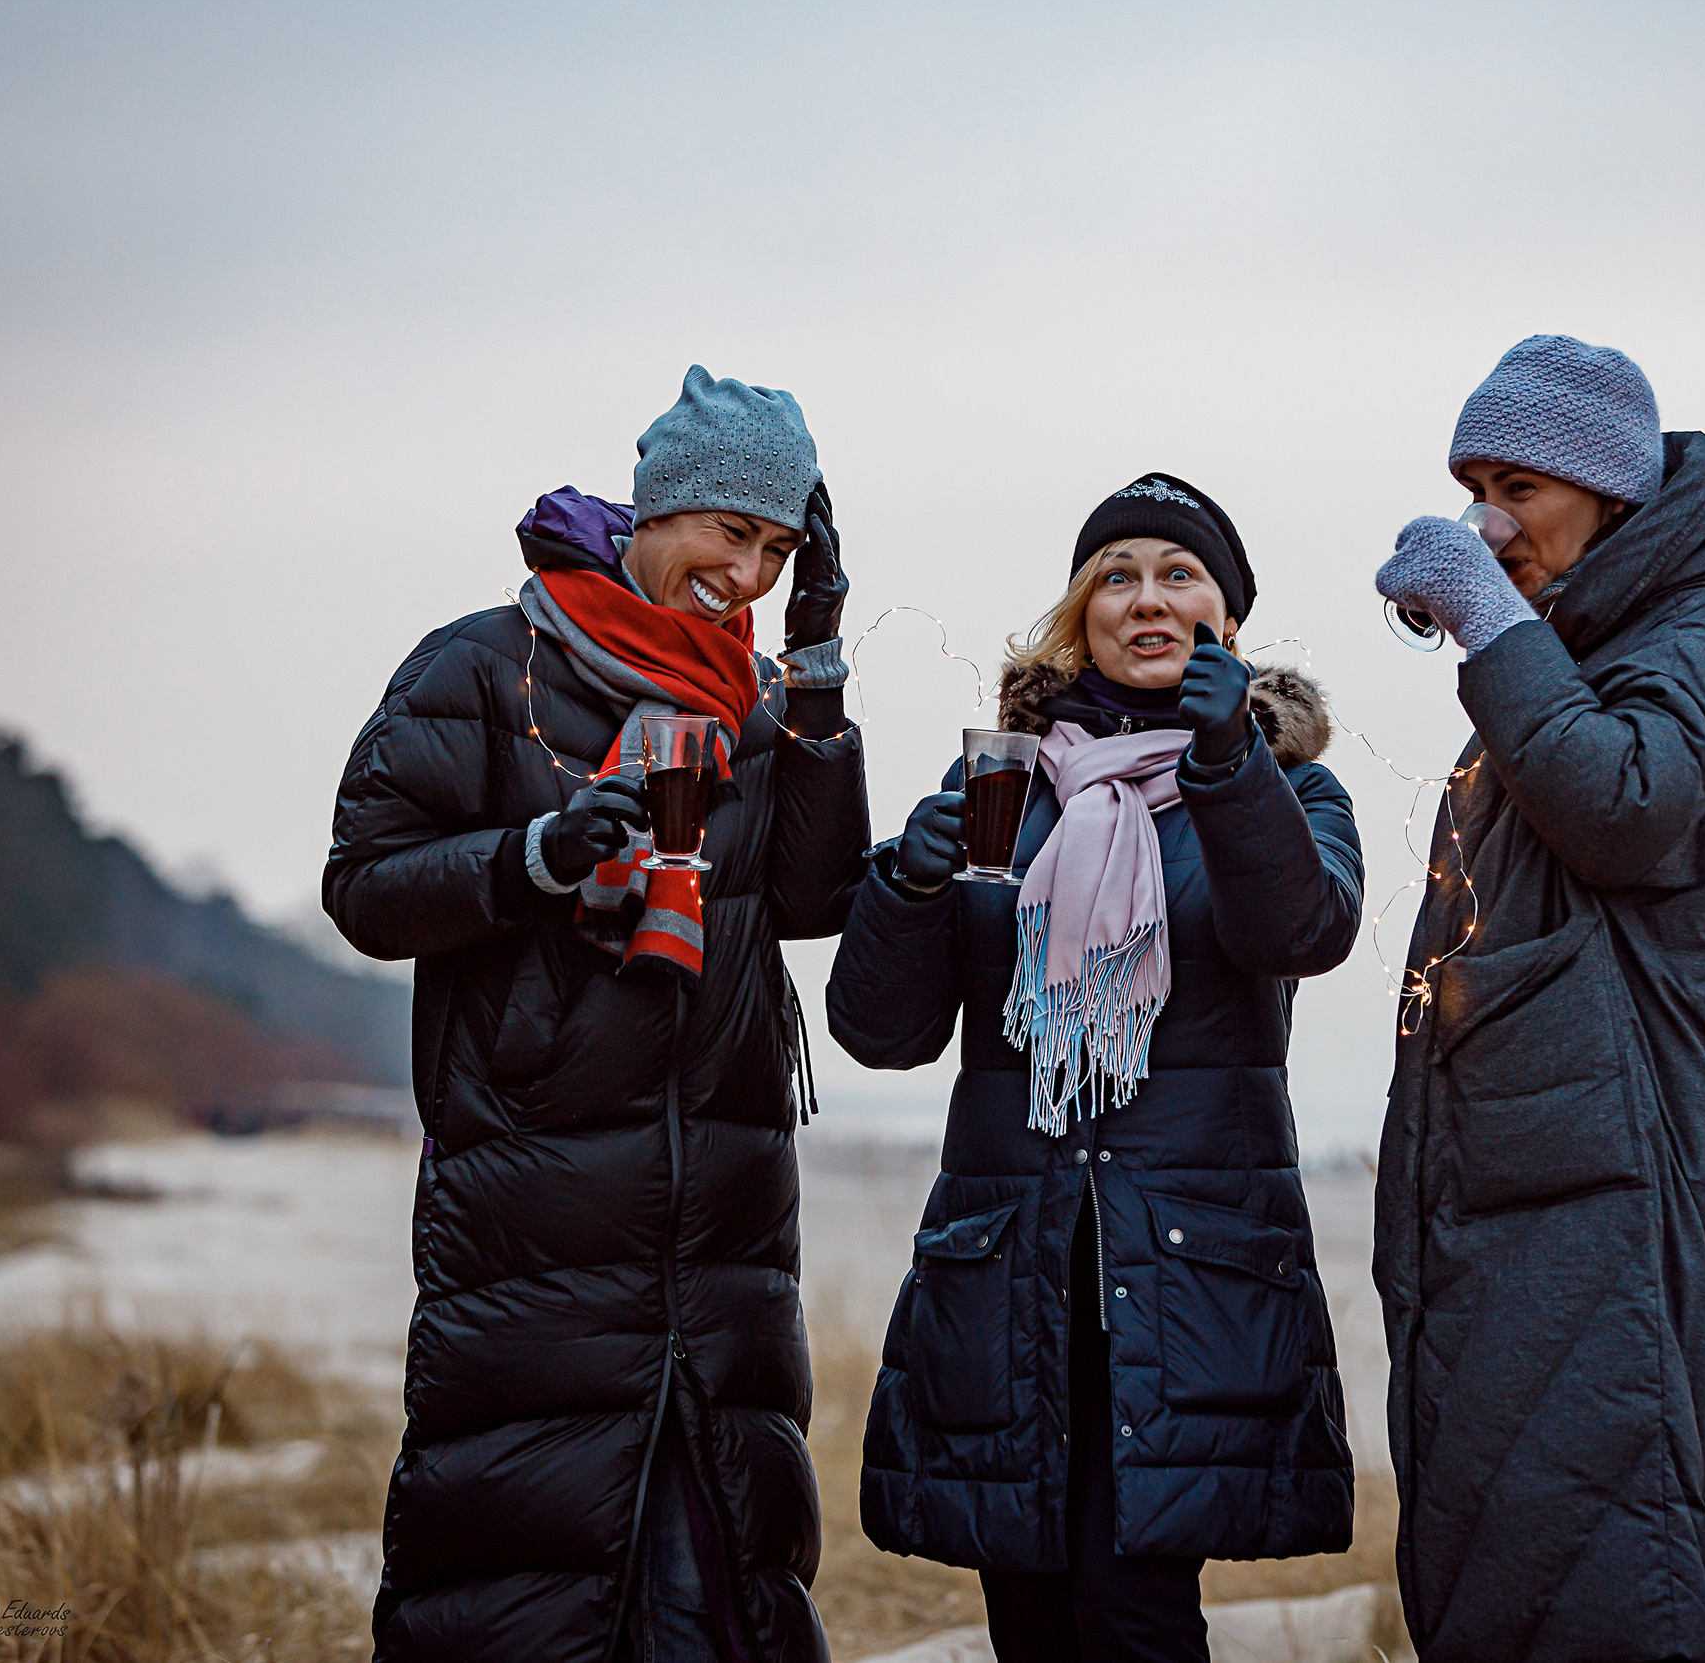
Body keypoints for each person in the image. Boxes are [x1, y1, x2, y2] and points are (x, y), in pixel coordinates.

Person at [325, 366, 869, 1663]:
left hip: (725, 1223)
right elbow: (365, 887)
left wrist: (825, 662)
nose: (747, 573)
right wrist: (534, 858)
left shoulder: (754, 700)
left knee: (717, 1587)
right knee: (520, 1584)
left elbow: (810, 891)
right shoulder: (486, 665)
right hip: (536, 1218)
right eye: (730, 534)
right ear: (659, 511)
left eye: (779, 548)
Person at [829, 473, 1363, 1662]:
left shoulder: (1290, 787)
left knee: (1132, 1615)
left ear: (1227, 617)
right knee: (1028, 1612)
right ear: (1081, 612)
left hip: (1182, 1269)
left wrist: (1229, 760)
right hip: (1010, 1263)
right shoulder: (1002, 786)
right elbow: (883, 1030)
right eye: (1117, 575)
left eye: (1180, 576)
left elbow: (1303, 933)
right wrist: (906, 886)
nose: (1147, 599)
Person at [1371, 336, 1705, 1662]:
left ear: (1608, 491)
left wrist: (1493, 623)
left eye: (1520, 488)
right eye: (1472, 489)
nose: (1490, 521)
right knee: (1510, 1554)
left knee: (1598, 1554)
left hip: (1625, 1166)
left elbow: (1622, 802)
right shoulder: (1585, 636)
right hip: (1539, 1169)